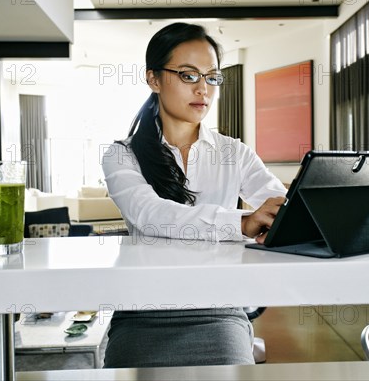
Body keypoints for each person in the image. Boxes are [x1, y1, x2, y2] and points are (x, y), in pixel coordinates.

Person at [101, 22, 287, 368]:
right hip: (143, 314)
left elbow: (278, 202)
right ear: (153, 79)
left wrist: (289, 214)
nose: (203, 89)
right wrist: (242, 222)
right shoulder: (122, 155)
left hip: (219, 312)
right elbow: (150, 214)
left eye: (212, 77)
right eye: (189, 76)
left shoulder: (235, 153)